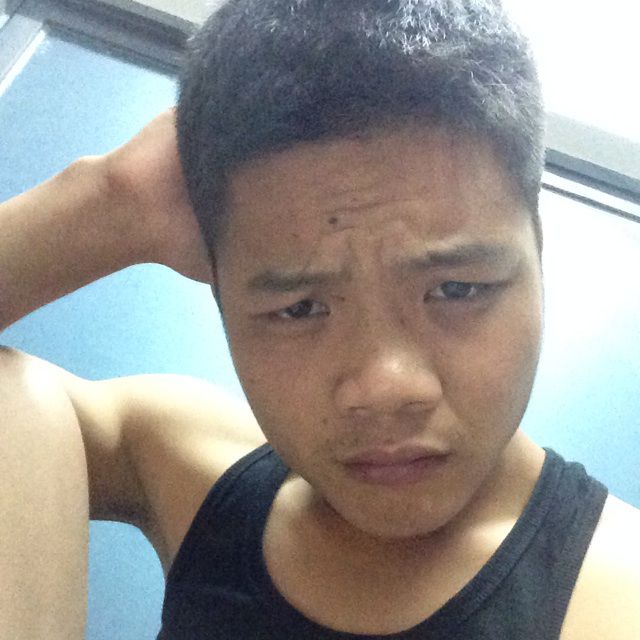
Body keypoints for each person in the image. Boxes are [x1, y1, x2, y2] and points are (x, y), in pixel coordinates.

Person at [1, 0, 639, 638]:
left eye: (456, 289)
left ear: (538, 258)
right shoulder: (188, 466)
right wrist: (111, 202)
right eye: (300, 308)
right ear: (220, 297)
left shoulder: (617, 598)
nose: (387, 386)